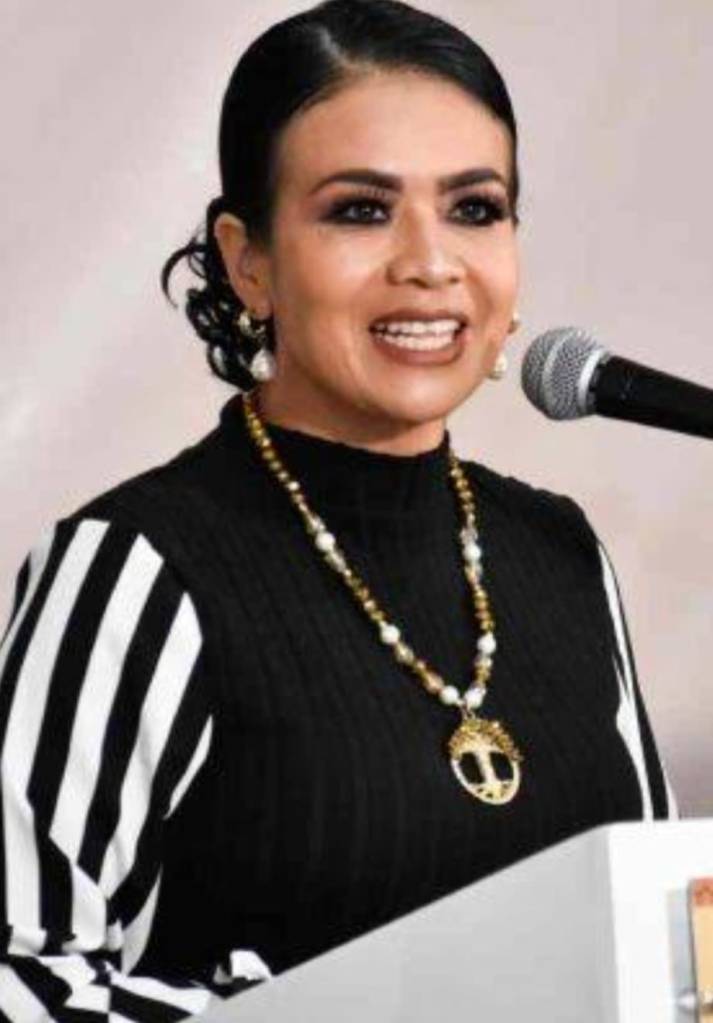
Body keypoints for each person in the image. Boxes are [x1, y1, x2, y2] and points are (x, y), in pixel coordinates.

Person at [0, 0, 676, 1019]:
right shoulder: (131, 567)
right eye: (360, 210)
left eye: (474, 208)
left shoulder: (558, 551)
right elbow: (21, 980)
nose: (430, 263)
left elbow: (652, 935)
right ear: (249, 261)